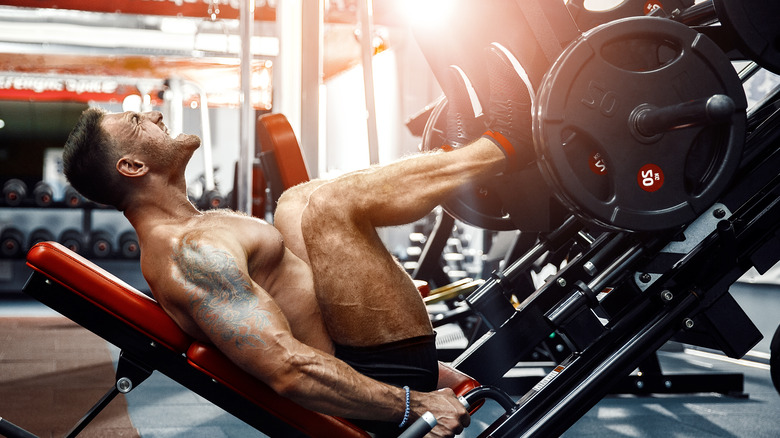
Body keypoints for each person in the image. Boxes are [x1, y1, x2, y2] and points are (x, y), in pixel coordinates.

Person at [61, 42, 531, 437]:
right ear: (132, 167)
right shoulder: (190, 254)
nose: (155, 114)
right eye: (139, 124)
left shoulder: (196, 232)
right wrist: (413, 402)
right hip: (373, 382)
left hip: (363, 357)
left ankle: (475, 158)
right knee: (330, 206)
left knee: (299, 203)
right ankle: (502, 145)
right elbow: (287, 367)